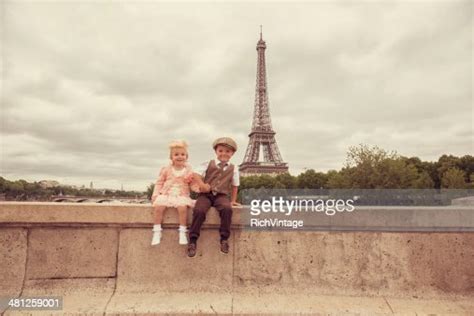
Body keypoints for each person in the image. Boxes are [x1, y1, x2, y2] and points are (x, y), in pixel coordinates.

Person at [187, 137, 241, 257]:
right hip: (205, 195)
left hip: (221, 196)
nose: (224, 153)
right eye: (221, 150)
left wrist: (233, 200)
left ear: (232, 153)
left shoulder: (234, 168)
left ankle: (224, 239)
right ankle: (193, 240)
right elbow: (195, 174)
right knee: (199, 211)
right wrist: (201, 185)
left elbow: (235, 185)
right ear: (216, 151)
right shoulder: (208, 163)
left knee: (227, 209)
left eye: (227, 151)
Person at [151, 140, 196, 246]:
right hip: (167, 194)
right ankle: (157, 231)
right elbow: (159, 182)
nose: (180, 156)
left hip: (181, 195)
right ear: (171, 157)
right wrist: (155, 194)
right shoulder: (166, 169)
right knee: (159, 207)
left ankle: (182, 232)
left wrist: (198, 188)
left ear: (186, 156)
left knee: (182, 208)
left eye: (182, 154)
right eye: (176, 154)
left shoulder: (189, 170)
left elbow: (192, 184)